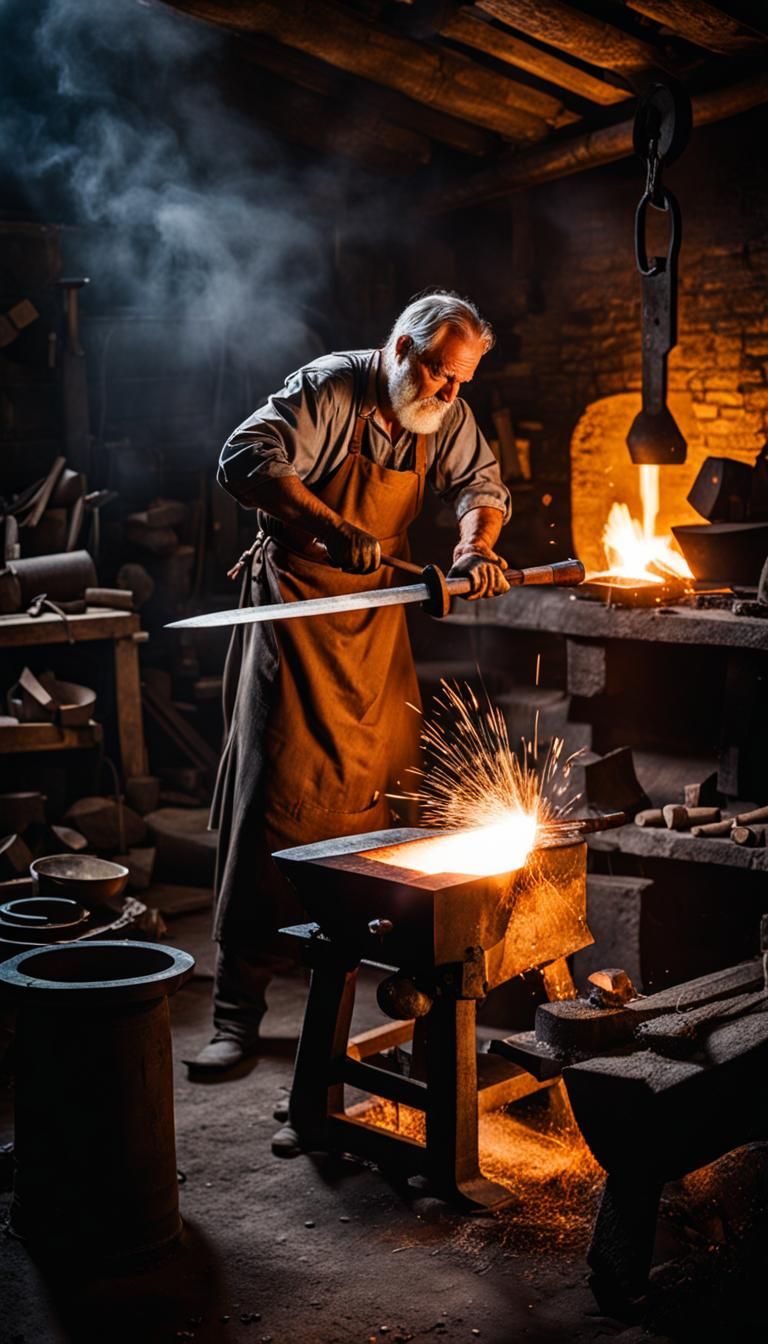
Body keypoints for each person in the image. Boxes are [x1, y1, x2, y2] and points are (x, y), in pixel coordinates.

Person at [185, 290, 511, 1080]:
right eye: (441, 375)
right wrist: (333, 528)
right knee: (273, 802)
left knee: (384, 795)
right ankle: (236, 1013)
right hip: (297, 613)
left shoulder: (445, 414)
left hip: (374, 629)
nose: (450, 394)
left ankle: (367, 997)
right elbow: (243, 458)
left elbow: (482, 489)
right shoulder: (330, 389)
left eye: (462, 382)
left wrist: (474, 551)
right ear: (403, 350)